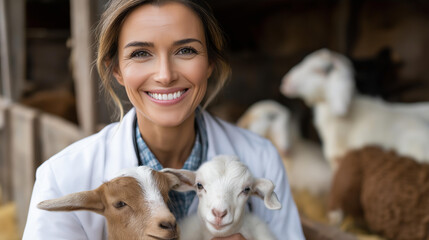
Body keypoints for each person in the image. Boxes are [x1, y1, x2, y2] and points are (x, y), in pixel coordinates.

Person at [23, 0, 305, 239]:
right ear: (116, 70)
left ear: (210, 63)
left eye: (186, 50)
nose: (165, 74)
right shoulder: (61, 178)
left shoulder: (260, 157)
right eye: (141, 53)